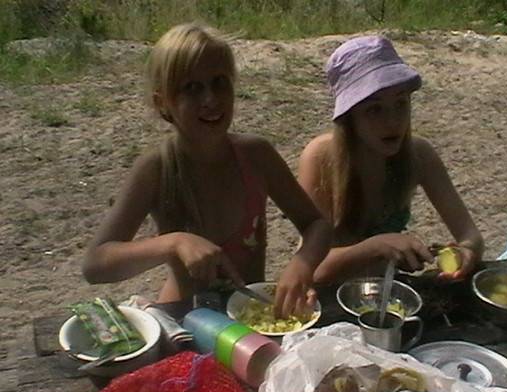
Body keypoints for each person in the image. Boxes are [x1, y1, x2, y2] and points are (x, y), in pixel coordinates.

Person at [82, 22, 331, 318]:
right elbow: (95, 264)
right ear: (163, 103)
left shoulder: (256, 155)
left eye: (219, 82)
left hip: (250, 316)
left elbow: (316, 224)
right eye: (192, 88)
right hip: (187, 318)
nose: (210, 99)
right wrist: (174, 242)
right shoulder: (157, 169)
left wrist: (302, 264)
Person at [297, 36, 483, 283]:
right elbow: (310, 268)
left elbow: (471, 236)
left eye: (401, 104)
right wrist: (376, 247)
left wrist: (466, 252)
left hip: (386, 289)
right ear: (349, 118)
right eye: (374, 109)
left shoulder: (419, 154)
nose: (392, 121)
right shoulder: (321, 158)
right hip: (327, 295)